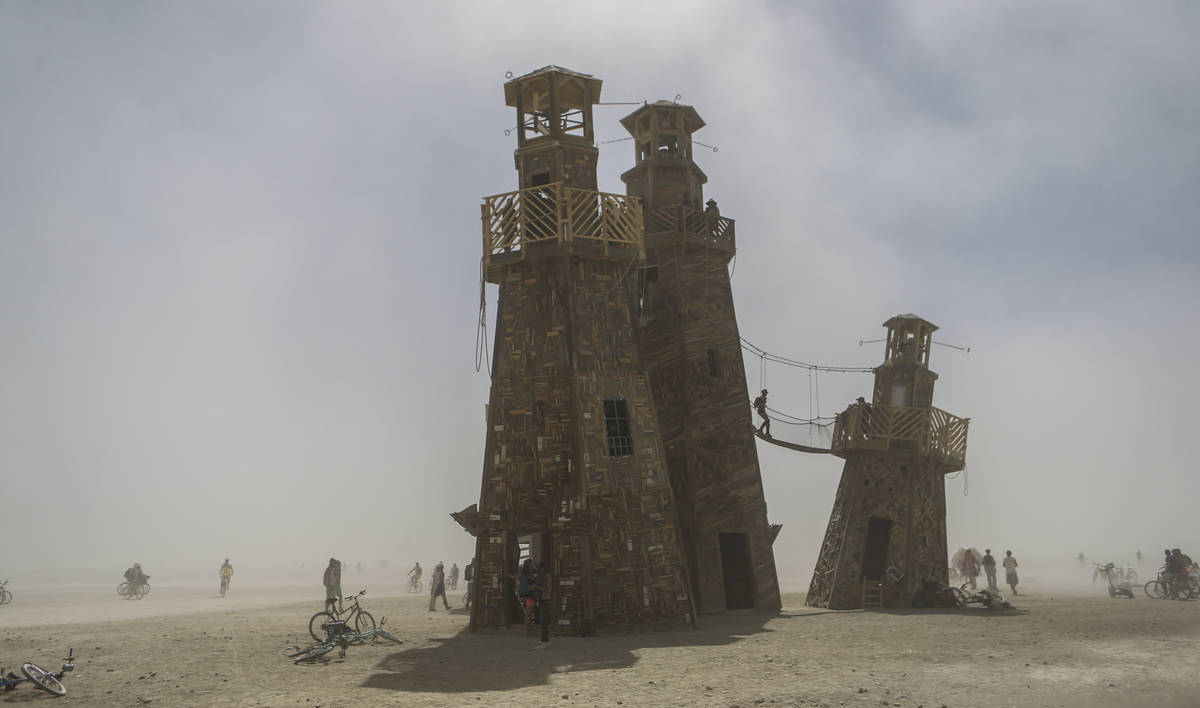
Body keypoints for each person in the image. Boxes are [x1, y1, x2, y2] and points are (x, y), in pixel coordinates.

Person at [509, 559, 536, 634]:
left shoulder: (522, 574)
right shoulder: (531, 574)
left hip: (523, 594)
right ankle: (527, 631)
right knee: (528, 613)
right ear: (529, 565)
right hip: (530, 595)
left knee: (528, 612)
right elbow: (534, 583)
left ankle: (527, 629)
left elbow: (514, 577)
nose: (533, 565)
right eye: (532, 564)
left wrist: (508, 575)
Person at [531, 560, 552, 650]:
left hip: (545, 600)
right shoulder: (541, 576)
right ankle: (545, 641)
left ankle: (544, 642)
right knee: (543, 622)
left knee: (544, 623)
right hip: (542, 600)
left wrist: (536, 587)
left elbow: (547, 589)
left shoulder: (547, 575)